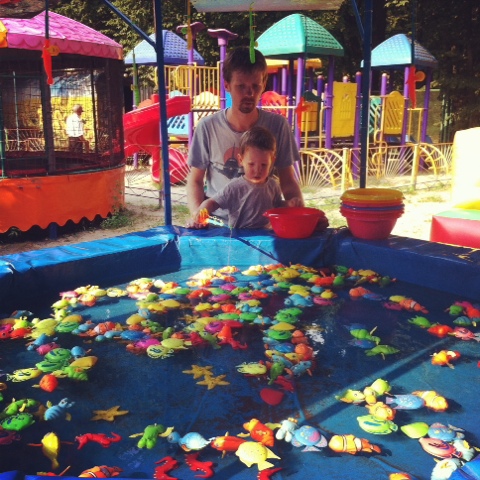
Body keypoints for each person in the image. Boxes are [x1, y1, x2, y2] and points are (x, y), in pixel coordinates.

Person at [186, 46, 304, 228]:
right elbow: (195, 180)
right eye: (241, 86)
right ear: (227, 85)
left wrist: (300, 214)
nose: (249, 94)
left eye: (255, 86)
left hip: (262, 227)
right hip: (216, 226)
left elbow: (288, 182)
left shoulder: (278, 125)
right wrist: (198, 216)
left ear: (263, 84)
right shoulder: (207, 127)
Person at [192, 126, 302, 229]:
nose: (257, 170)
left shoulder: (273, 186)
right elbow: (212, 202)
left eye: (263, 165)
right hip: (239, 236)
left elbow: (277, 205)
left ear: (272, 160)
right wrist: (202, 210)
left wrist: (288, 204)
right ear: (241, 160)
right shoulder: (234, 187)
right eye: (251, 164)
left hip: (265, 235)